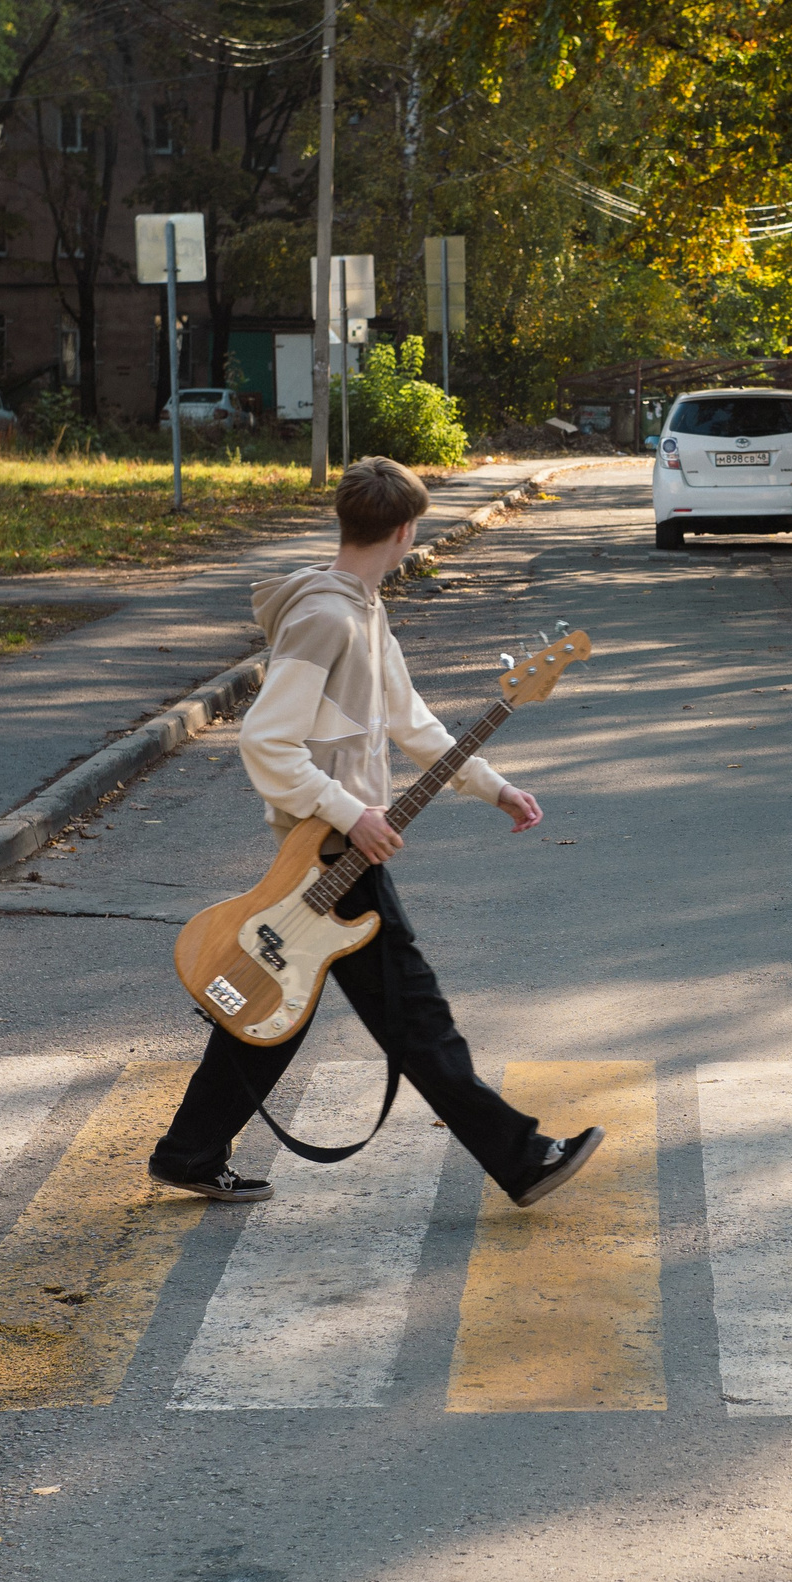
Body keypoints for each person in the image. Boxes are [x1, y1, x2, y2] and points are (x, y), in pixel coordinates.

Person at [147, 456, 603, 1207]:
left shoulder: (362, 609)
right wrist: (351, 812)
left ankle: (191, 1151)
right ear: (404, 530)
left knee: (279, 1001)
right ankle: (521, 1159)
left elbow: (412, 724)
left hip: (336, 845)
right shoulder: (326, 617)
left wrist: (495, 789)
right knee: (416, 1017)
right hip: (333, 848)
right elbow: (266, 741)